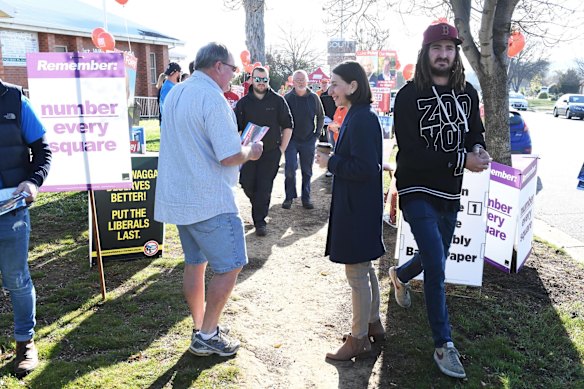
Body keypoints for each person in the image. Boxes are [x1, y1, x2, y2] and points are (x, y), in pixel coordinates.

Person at [390, 21, 491, 379]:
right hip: (417, 189)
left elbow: (475, 133)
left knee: (437, 256)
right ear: (425, 53)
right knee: (437, 265)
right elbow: (414, 153)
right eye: (437, 48)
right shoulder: (407, 96)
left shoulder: (468, 94)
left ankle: (400, 275)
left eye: (450, 49)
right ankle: (443, 344)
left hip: (450, 191)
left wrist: (478, 149)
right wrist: (463, 159)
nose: (444, 54)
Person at [154, 42, 263, 357]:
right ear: (218, 66)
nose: (233, 75)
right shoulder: (212, 98)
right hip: (208, 197)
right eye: (232, 69)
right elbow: (229, 155)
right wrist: (251, 151)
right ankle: (207, 333)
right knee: (231, 265)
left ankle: (202, 326)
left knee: (195, 264)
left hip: (182, 195)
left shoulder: (176, 93)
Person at [314, 61, 385, 360]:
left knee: (357, 273)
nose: (330, 90)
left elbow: (366, 168)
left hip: (358, 208)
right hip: (360, 205)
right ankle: (372, 326)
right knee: (364, 270)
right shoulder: (359, 115)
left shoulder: (362, 118)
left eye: (335, 84)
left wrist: (330, 163)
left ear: (353, 86)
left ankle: (358, 340)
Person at [0, 79, 52, 376]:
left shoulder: (15, 100)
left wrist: (33, 181)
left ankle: (25, 343)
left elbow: (42, 151)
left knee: (17, 279)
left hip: (11, 211)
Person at [235, 67, 293, 236]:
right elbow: (237, 129)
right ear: (251, 80)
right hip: (248, 153)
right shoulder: (243, 103)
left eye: (264, 79)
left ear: (269, 80)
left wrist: (281, 149)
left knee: (264, 187)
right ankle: (258, 205)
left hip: (270, 153)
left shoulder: (278, 101)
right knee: (247, 183)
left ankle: (260, 222)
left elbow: (288, 126)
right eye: (258, 79)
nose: (261, 83)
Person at [283, 70, 324, 210]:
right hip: (291, 139)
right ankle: (289, 197)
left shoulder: (314, 98)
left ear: (307, 81)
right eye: (297, 79)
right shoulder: (287, 98)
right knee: (290, 168)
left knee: (307, 171)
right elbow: (280, 117)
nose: (300, 82)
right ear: (293, 82)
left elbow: (321, 116)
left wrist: (317, 134)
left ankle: (306, 198)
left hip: (308, 139)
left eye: (303, 79)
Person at [318, 78, 337, 176]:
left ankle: (332, 167)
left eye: (326, 83)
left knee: (334, 144)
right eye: (323, 83)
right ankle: (330, 167)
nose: (324, 85)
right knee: (329, 143)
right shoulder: (321, 95)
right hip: (327, 121)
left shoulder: (333, 94)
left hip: (335, 121)